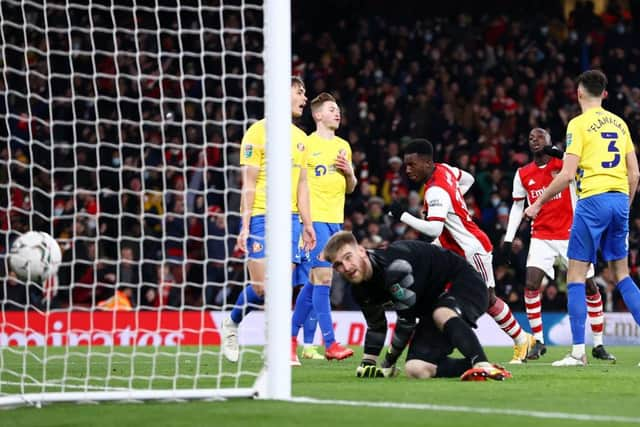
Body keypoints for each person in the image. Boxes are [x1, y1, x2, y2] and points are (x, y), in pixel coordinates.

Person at [524, 69, 640, 366]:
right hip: (619, 200)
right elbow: (635, 173)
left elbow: (566, 175)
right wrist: (625, 205)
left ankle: (578, 353)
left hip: (592, 201)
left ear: (578, 93)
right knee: (622, 274)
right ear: (604, 93)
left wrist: (537, 205)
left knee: (575, 275)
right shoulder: (620, 123)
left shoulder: (578, 124)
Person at [389, 139, 535, 364]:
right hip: (451, 248)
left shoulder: (435, 190)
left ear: (427, 163)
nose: (407, 169)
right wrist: (454, 202)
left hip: (471, 248)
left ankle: (522, 339)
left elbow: (434, 227)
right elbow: (469, 179)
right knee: (431, 285)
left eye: (412, 164)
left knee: (486, 298)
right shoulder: (445, 170)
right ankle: (425, 341)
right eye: (406, 165)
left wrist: (403, 216)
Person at [323, 231, 512, 381]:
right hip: (433, 305)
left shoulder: (395, 268)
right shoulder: (360, 289)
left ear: (362, 251)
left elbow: (407, 322)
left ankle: (481, 364)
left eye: (348, 257)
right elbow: (376, 325)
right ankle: (478, 368)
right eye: (338, 264)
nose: (346, 267)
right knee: (416, 368)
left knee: (441, 313)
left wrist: (388, 362)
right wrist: (368, 363)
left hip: (464, 283)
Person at [221, 76, 317, 363]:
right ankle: (232, 323)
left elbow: (302, 186)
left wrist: (308, 223)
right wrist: (245, 223)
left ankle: (277, 348)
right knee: (262, 287)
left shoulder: (301, 139)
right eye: (300, 92)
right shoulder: (257, 132)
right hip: (261, 216)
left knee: (281, 285)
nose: (304, 98)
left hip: (290, 220)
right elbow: (248, 183)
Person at [504, 127, 615, 361]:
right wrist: (508, 237)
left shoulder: (565, 166)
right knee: (531, 284)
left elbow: (578, 163)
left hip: (570, 235)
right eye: (531, 137)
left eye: (540, 137)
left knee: (590, 287)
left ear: (549, 141)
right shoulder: (523, 173)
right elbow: (516, 207)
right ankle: (539, 341)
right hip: (541, 237)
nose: (534, 140)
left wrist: (555, 151)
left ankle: (598, 344)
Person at [290, 92, 356, 364]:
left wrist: (349, 172)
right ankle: (330, 343)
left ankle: (289, 340)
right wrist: (305, 223)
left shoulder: (343, 146)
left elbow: (350, 188)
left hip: (335, 221)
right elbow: (298, 185)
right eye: (331, 109)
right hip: (314, 221)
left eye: (337, 108)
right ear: (317, 115)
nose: (336, 113)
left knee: (313, 283)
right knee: (324, 280)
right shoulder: (306, 144)